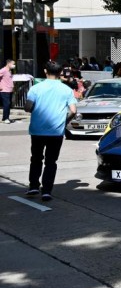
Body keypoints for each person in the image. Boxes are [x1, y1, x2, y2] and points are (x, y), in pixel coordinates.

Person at [25, 61, 77, 201]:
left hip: (37, 130)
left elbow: (28, 107)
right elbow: (73, 110)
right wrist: (64, 121)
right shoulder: (66, 89)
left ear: (45, 71)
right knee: (51, 161)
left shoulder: (36, 88)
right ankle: (47, 190)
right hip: (56, 131)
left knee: (36, 158)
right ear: (60, 73)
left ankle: (33, 186)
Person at [0, 58, 15, 123]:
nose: (14, 65)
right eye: (13, 64)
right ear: (9, 64)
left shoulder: (9, 71)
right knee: (7, 104)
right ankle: (6, 118)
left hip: (9, 90)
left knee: (8, 104)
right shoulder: (3, 70)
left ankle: (6, 118)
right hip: (4, 90)